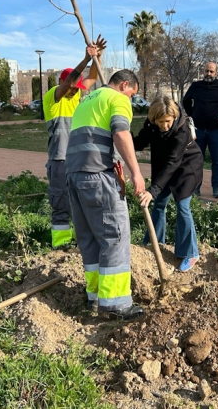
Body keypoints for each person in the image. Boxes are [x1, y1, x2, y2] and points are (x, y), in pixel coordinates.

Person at [65, 69, 145, 320]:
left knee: (89, 237)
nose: (131, 101)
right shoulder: (117, 99)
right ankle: (117, 304)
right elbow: (121, 133)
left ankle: (95, 297)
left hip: (74, 175)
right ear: (124, 86)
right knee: (114, 235)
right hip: (98, 176)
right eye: (132, 95)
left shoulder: (88, 99)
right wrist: (136, 172)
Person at [43, 36, 106, 249]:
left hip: (79, 162)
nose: (76, 90)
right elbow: (72, 81)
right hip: (60, 160)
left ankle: (80, 244)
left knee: (82, 204)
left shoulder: (78, 96)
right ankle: (60, 247)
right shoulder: (53, 97)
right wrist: (85, 59)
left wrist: (97, 57)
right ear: (62, 83)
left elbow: (91, 78)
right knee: (61, 203)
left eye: (78, 88)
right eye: (73, 87)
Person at [133, 96, 203, 272]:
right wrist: (121, 135)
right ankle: (153, 244)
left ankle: (190, 253)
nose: (164, 125)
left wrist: (152, 190)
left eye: (167, 121)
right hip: (164, 168)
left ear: (173, 117)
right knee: (159, 204)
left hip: (187, 168)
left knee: (183, 206)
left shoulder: (182, 129)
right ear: (154, 118)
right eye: (161, 121)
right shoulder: (151, 125)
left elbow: (174, 161)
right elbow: (139, 143)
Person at [182, 62, 218, 198]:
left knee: (217, 160)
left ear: (216, 73)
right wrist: (192, 114)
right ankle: (195, 188)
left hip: (216, 130)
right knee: (196, 160)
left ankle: (216, 188)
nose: (209, 74)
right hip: (198, 130)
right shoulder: (196, 86)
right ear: (203, 72)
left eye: (211, 71)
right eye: (207, 71)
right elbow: (186, 101)